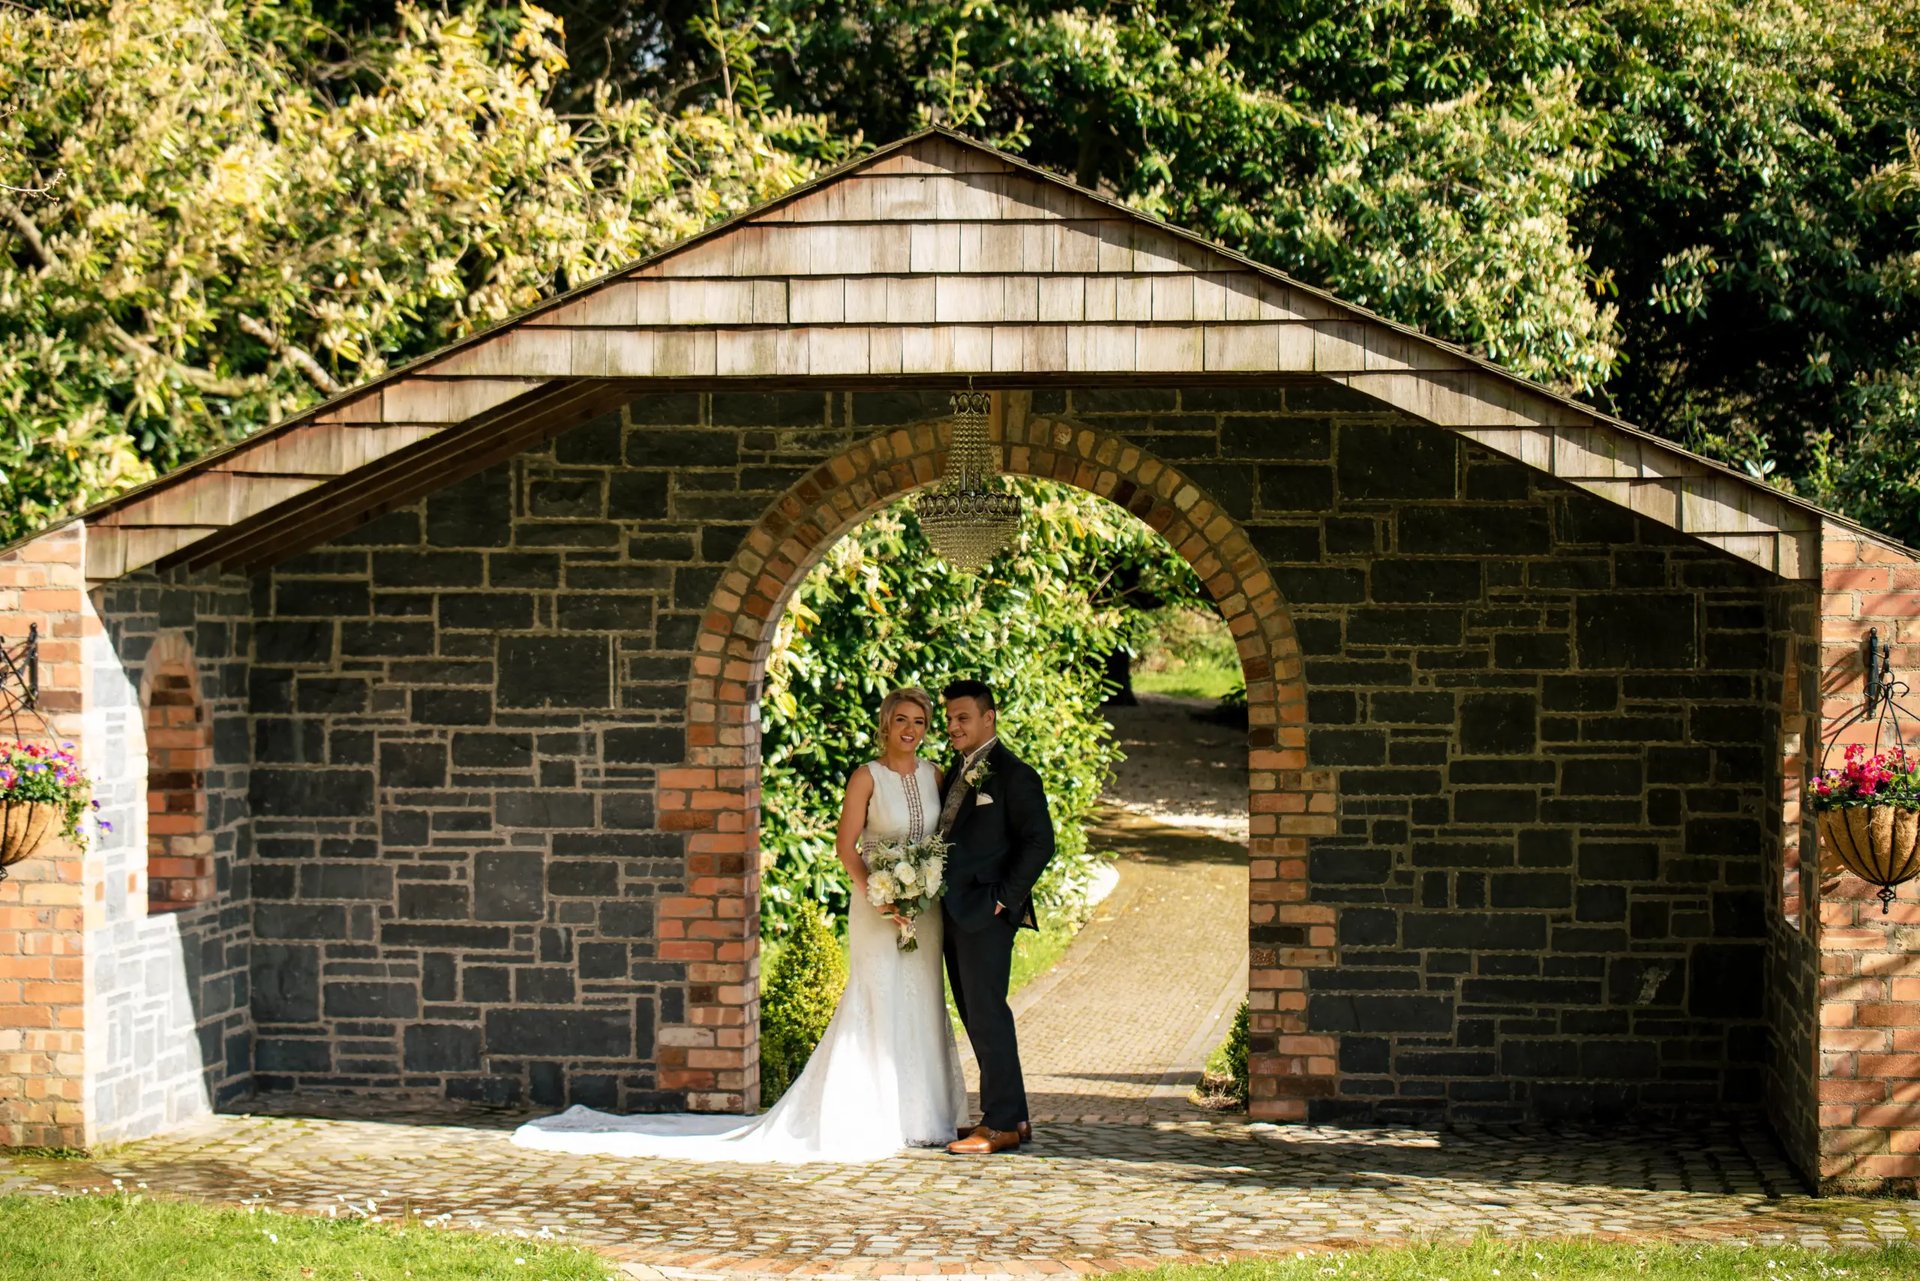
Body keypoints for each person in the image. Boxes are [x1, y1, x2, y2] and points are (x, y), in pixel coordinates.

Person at [511, 686, 967, 1163]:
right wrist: (879, 894)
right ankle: (872, 1116)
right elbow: (846, 846)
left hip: (923, 910)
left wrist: (919, 892)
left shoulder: (935, 776)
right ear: (886, 724)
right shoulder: (865, 777)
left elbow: (940, 841)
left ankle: (922, 1117)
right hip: (875, 906)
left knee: (922, 997)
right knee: (878, 996)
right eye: (901, 720)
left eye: (919, 721)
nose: (910, 730)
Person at [936, 678, 1056, 1156]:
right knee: (977, 1015)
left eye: (963, 717)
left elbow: (1040, 842)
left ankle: (1001, 1123)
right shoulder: (958, 769)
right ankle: (1015, 1115)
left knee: (987, 1014)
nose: (953, 726)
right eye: (949, 719)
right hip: (955, 911)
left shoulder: (1013, 774)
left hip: (986, 912)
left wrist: (1003, 900)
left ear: (989, 718)